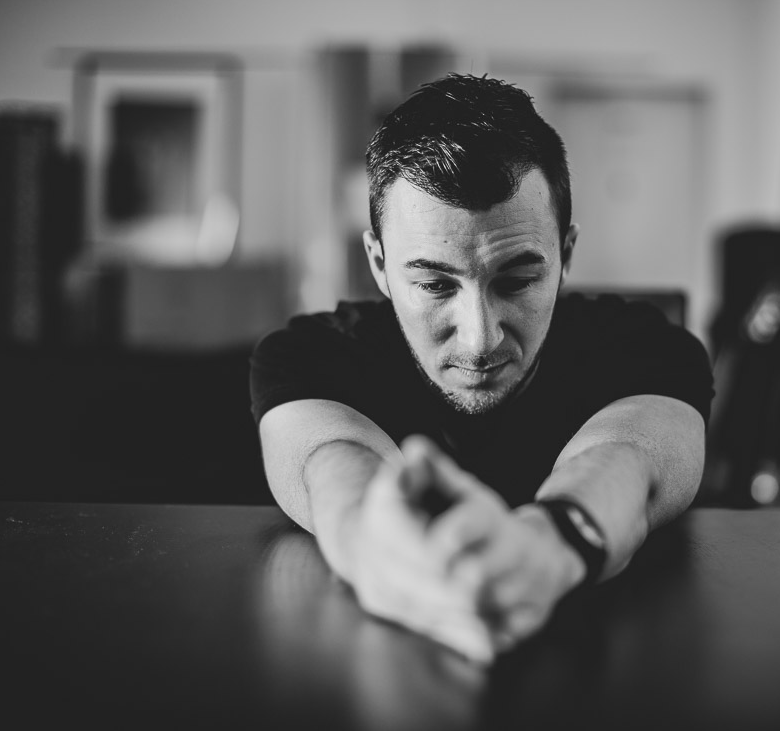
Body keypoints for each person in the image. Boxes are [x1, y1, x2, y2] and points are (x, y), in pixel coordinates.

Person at [250, 73, 713, 662]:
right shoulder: (308, 356)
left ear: (566, 254)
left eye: (516, 281)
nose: (480, 337)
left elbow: (630, 458)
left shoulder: (648, 348)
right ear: (379, 264)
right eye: (434, 284)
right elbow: (332, 466)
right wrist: (379, 544)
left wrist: (551, 542)